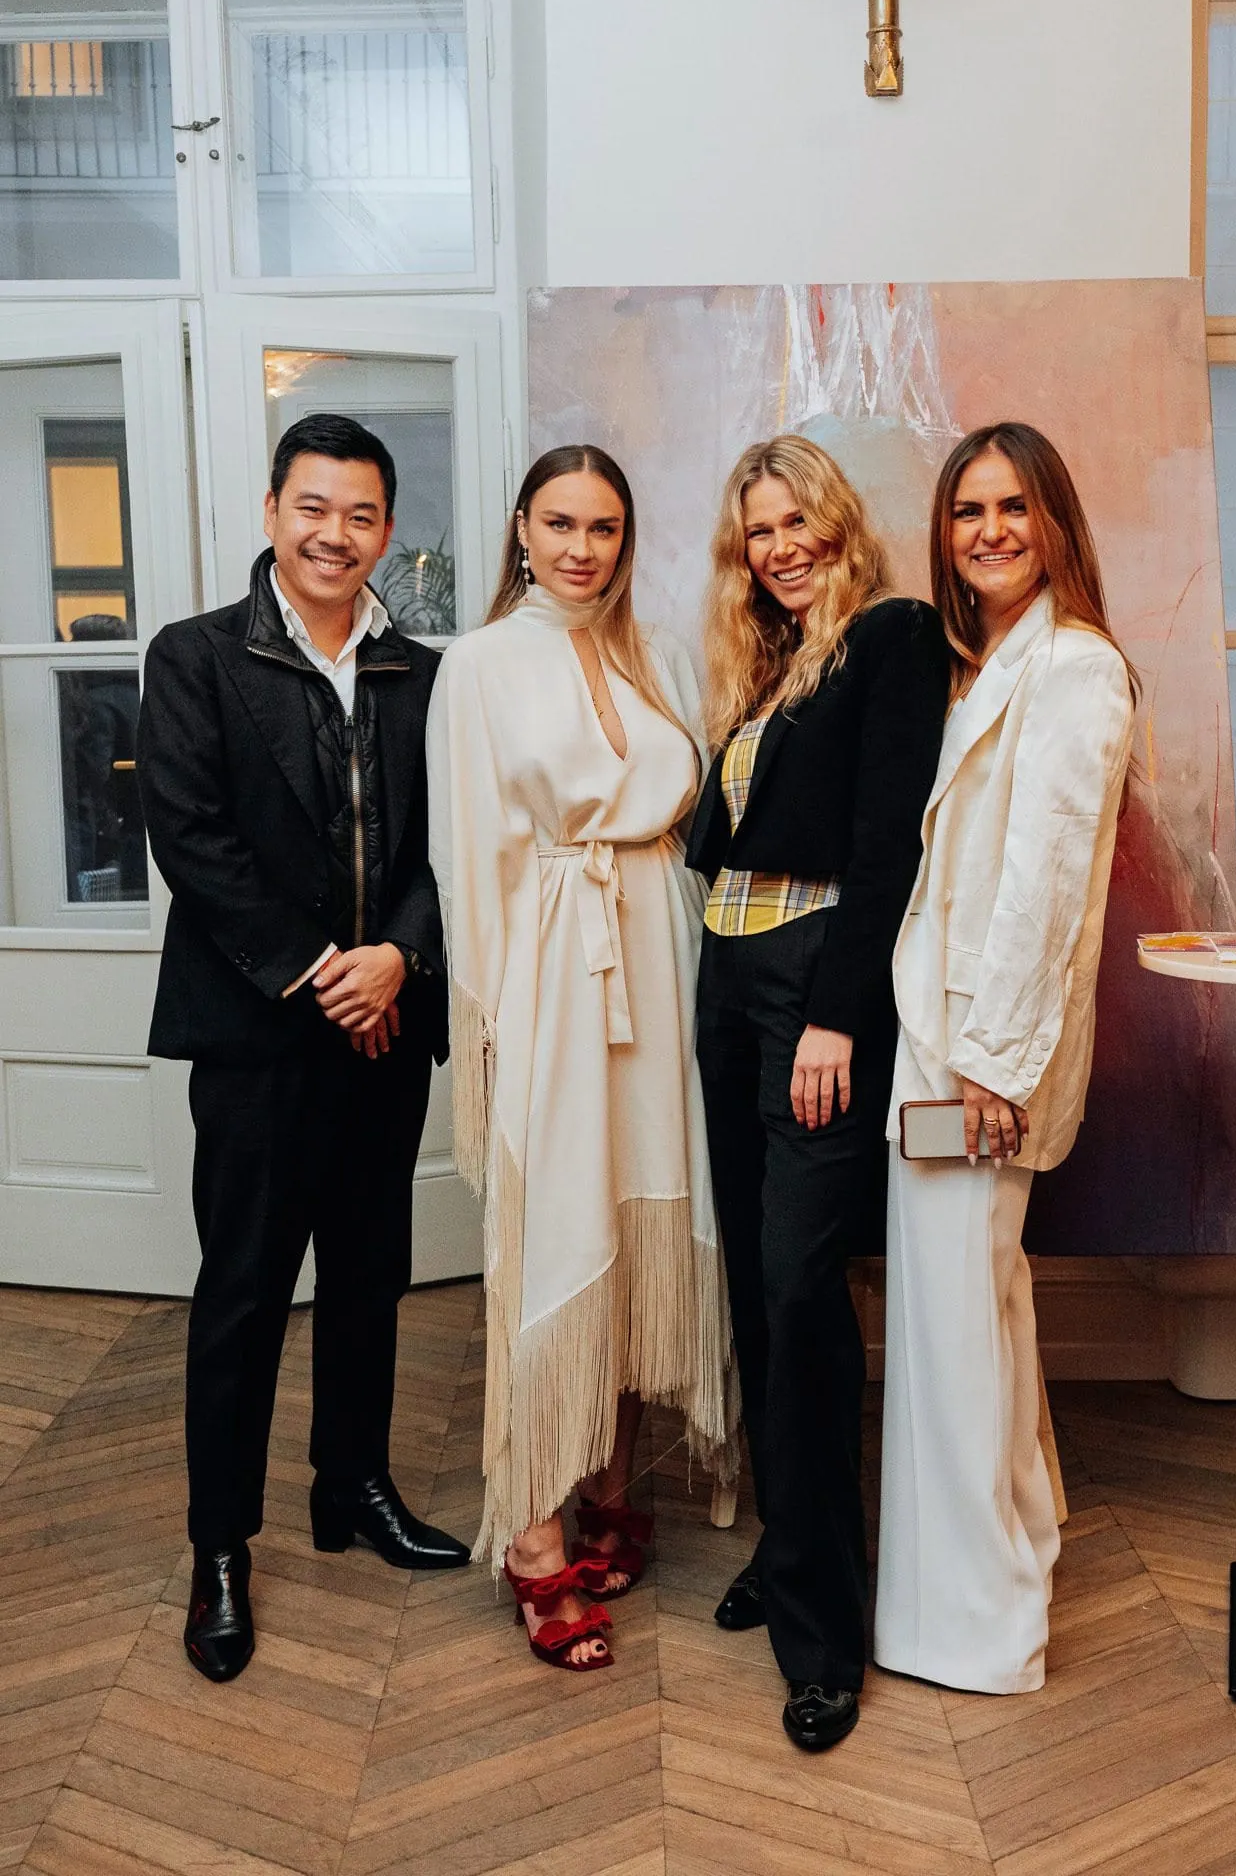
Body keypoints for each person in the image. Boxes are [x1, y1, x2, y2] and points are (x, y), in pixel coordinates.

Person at [138, 413, 469, 1687]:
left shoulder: (424, 672)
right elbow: (193, 838)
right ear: (273, 509)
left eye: (362, 513)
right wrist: (330, 972)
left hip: (389, 1023)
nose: (337, 533)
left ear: (387, 529)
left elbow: (450, 840)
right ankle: (221, 1545)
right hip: (260, 1029)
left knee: (373, 1272)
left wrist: (400, 954)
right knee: (244, 1292)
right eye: (314, 507)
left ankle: (354, 1484)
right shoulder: (197, 656)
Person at [427, 445, 734, 1673]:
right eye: (559, 522)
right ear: (521, 527)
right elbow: (469, 859)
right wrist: (496, 1022)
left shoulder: (655, 651)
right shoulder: (478, 664)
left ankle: (609, 1482)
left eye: (604, 526)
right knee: (554, 1222)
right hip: (555, 962)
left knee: (637, 1211)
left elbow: (694, 817)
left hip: (662, 948)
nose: (581, 548)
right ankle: (535, 1532)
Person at [687, 434, 949, 1752]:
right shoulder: (765, 663)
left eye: (799, 522)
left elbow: (888, 844)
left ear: (839, 521)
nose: (781, 548)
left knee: (801, 1288)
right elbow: (721, 839)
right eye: (760, 531)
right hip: (724, 980)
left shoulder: (892, 637)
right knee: (752, 1284)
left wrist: (839, 1015)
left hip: (812, 987)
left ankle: (824, 1638)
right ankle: (788, 1545)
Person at [875, 421, 1136, 1696]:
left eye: (1014, 506)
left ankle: (980, 1628)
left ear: (1054, 521)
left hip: (980, 1050)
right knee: (979, 1308)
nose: (989, 530)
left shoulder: (1076, 667)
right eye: (969, 509)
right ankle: (1017, 1546)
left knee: (957, 1332)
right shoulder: (984, 666)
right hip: (941, 1031)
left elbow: (1047, 889)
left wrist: (992, 1064)